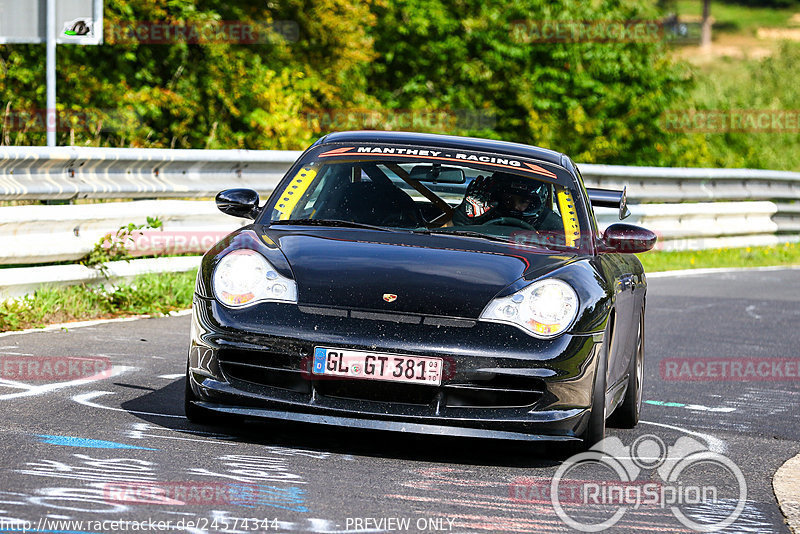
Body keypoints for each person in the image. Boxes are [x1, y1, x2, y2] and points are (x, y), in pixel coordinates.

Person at [451, 171, 562, 231]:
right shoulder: (481, 212)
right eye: (508, 200)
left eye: (523, 201)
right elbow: (440, 240)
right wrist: (461, 221)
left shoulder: (550, 223)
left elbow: (570, 252)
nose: (515, 207)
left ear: (537, 202)